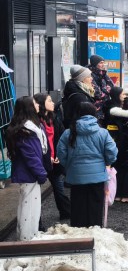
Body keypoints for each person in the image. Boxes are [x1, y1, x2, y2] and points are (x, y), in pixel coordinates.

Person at [57, 102, 117, 228]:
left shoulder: (68, 133)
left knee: (78, 208)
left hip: (76, 176)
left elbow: (61, 153)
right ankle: (94, 233)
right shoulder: (103, 132)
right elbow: (111, 152)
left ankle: (79, 235)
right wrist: (106, 163)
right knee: (95, 207)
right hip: (97, 177)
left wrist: (69, 166)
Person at [6, 97, 48, 240]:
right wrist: (41, 173)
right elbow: (31, 156)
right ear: (29, 107)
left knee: (28, 205)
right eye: (35, 103)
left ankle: (27, 237)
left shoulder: (25, 128)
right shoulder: (26, 130)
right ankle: (27, 239)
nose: (38, 105)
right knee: (29, 208)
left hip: (28, 173)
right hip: (29, 174)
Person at [34, 92, 71, 220]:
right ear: (41, 104)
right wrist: (46, 156)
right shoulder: (35, 121)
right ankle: (37, 222)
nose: (53, 103)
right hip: (41, 160)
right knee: (35, 193)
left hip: (54, 160)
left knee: (58, 187)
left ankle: (66, 212)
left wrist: (59, 155)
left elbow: (61, 137)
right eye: (49, 101)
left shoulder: (54, 118)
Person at [105, 89, 128, 202]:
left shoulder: (109, 107)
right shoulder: (117, 110)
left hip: (115, 143)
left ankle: (117, 194)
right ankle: (127, 195)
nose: (124, 96)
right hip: (125, 143)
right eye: (123, 94)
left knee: (117, 167)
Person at [89, 55, 115, 124]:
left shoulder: (103, 73)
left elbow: (112, 87)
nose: (103, 65)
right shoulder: (89, 74)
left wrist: (106, 91)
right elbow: (97, 93)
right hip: (96, 106)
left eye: (103, 62)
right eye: (100, 63)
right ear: (95, 64)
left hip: (105, 104)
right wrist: (106, 92)